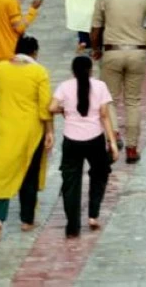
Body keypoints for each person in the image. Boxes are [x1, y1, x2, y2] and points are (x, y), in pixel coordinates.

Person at [91, 0, 146, 165]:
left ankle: (114, 135)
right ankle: (132, 149)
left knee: (109, 99)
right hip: (137, 52)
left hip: (112, 51)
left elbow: (95, 29)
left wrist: (95, 49)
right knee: (133, 101)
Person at [49, 54, 116, 238]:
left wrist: (65, 111)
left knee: (71, 183)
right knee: (100, 174)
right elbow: (104, 115)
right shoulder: (100, 86)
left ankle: (72, 226)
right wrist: (112, 142)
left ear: (73, 71)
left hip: (71, 140)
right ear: (91, 70)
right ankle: (93, 215)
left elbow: (52, 107)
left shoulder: (65, 86)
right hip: (95, 138)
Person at [0, 36, 51, 242]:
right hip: (31, 131)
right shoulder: (39, 72)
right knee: (29, 174)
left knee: (1, 175)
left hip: (4, 128)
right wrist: (50, 130)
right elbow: (45, 107)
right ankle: (27, 220)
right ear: (34, 52)